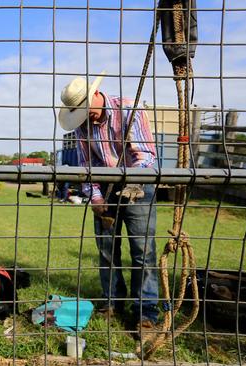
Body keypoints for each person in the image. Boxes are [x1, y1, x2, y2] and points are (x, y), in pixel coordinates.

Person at [58, 75, 159, 331]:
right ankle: (113, 301)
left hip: (139, 183)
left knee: (143, 251)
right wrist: (96, 197)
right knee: (106, 250)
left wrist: (132, 182)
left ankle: (145, 311)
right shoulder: (82, 126)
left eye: (85, 110)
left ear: (95, 94)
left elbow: (146, 155)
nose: (86, 118)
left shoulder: (129, 110)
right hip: (105, 187)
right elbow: (86, 165)